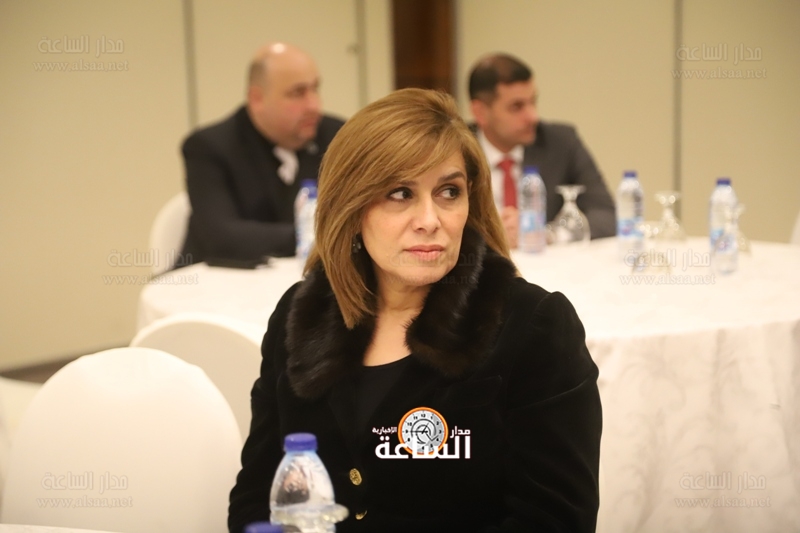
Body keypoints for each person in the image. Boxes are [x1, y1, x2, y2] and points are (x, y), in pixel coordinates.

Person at [228, 88, 602, 532]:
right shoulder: (302, 314)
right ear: (351, 207)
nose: (430, 220)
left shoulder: (533, 325)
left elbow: (555, 522)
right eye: (400, 193)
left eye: (449, 191)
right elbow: (257, 497)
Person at [179, 42, 345, 266]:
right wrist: (318, 236)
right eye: (297, 93)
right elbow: (222, 236)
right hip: (215, 279)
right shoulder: (209, 147)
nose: (314, 105)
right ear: (257, 99)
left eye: (315, 89)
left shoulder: (339, 137)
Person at [468, 53, 616, 246]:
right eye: (516, 107)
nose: (533, 116)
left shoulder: (561, 142)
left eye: (533, 101)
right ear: (480, 112)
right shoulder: (454, 150)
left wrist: (546, 235)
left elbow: (606, 215)